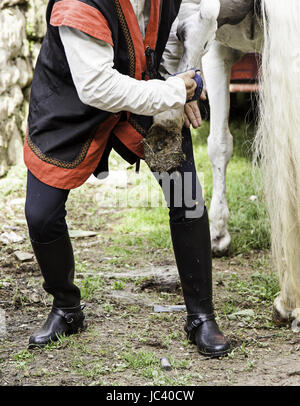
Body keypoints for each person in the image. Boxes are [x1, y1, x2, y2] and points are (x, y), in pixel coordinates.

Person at [24, 0, 230, 357]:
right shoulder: (79, 3)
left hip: (146, 87)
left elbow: (170, 38)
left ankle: (201, 317)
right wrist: (175, 92)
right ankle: (66, 307)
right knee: (41, 215)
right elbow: (97, 88)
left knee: (186, 199)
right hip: (70, 101)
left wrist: (177, 83)